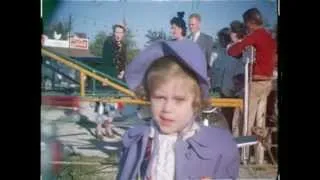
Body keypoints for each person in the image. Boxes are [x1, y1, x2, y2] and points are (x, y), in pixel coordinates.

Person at [117, 40, 240, 180]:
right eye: (159, 97)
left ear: (196, 101)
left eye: (179, 99)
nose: (167, 109)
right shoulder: (137, 142)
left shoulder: (219, 148)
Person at [227, 8, 277, 164]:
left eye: (246, 23)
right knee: (260, 121)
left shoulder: (256, 35)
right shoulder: (270, 37)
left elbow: (234, 51)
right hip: (268, 83)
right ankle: (260, 157)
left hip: (255, 83)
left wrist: (234, 45)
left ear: (250, 22)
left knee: (245, 119)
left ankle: (244, 155)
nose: (245, 26)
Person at [188, 13, 214, 83]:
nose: (190, 27)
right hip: (187, 77)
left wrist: (208, 76)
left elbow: (210, 61)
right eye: (189, 24)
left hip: (201, 78)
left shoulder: (208, 39)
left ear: (199, 24)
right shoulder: (186, 40)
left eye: (192, 24)